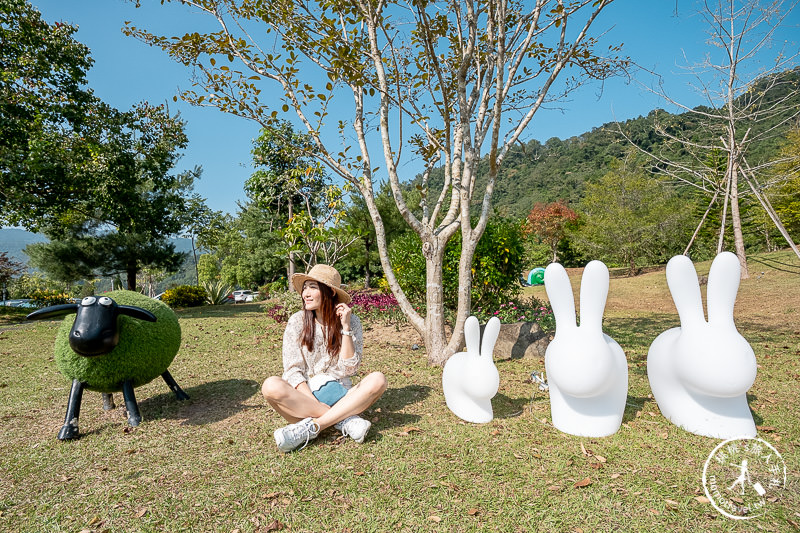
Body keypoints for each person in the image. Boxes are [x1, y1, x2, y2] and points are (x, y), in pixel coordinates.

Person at [261, 264, 388, 452]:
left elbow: (349, 369)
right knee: (270, 386)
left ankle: (311, 428)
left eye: (313, 287)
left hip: (343, 396)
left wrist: (345, 328)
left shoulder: (352, 321)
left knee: (378, 379)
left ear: (330, 292)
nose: (306, 293)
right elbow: (293, 371)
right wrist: (314, 402)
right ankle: (343, 420)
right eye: (305, 287)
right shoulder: (297, 321)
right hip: (306, 398)